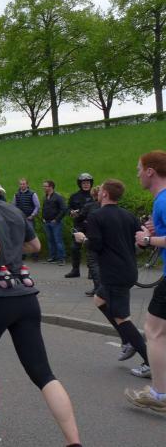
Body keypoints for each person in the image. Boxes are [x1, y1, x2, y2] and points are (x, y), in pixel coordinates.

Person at [0, 163, 81, 446]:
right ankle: (74, 441)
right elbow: (35, 246)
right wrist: (11, 247)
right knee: (43, 373)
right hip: (26, 296)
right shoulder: (14, 210)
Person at [73, 180, 149, 377]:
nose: (98, 193)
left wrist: (83, 239)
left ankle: (149, 361)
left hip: (114, 273)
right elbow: (143, 242)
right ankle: (127, 340)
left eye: (100, 190)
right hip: (128, 270)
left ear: (105, 194)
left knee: (121, 316)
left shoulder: (96, 215)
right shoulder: (128, 215)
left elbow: (96, 245)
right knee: (99, 300)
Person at [126, 150, 166, 413]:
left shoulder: (163, 200)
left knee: (153, 330)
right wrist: (154, 232)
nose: (138, 174)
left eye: (139, 169)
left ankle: (159, 394)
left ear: (151, 171)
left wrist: (148, 239)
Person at [65, 173, 94, 278]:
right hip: (79, 224)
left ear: (91, 184)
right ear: (80, 184)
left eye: (88, 183)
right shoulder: (74, 196)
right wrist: (71, 212)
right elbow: (68, 208)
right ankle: (75, 270)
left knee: (91, 247)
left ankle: (92, 271)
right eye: (84, 183)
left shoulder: (94, 195)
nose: (86, 185)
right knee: (74, 248)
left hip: (91, 225)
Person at [73, 187, 101, 296]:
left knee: (93, 261)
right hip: (106, 237)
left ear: (93, 195)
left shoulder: (89, 206)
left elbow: (79, 218)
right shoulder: (106, 206)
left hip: (92, 235)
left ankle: (98, 288)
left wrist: (76, 215)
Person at [13, 178, 40, 262]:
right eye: (20, 184)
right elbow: (14, 206)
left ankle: (35, 255)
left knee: (32, 236)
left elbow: (37, 206)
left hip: (29, 218)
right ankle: (23, 255)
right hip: (20, 219)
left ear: (27, 185)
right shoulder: (16, 194)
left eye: (24, 184)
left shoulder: (32, 194)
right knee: (21, 237)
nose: (22, 185)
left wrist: (32, 215)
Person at [41, 180, 67, 266]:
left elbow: (64, 209)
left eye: (45, 186)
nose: (44, 188)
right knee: (50, 240)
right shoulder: (45, 197)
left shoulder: (58, 197)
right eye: (44, 186)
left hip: (55, 222)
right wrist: (43, 217)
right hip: (47, 221)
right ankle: (53, 257)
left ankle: (61, 258)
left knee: (58, 240)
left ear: (51, 187)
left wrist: (57, 219)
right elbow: (44, 208)